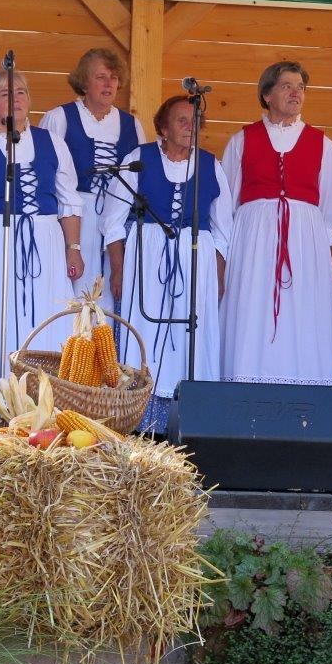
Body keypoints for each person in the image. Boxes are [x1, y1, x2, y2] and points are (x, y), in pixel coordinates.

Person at [0, 68, 83, 425]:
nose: (16, 99)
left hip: (45, 240)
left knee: (46, 317)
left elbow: (69, 201)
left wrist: (73, 247)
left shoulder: (53, 142)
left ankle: (45, 405)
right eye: (6, 94)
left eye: (21, 92)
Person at [104, 95, 234, 433]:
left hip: (195, 257)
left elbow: (223, 230)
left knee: (191, 333)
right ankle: (140, 417)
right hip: (147, 257)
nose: (190, 127)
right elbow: (113, 222)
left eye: (195, 121)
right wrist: (118, 269)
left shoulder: (211, 165)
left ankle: (190, 417)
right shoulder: (139, 158)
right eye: (182, 120)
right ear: (163, 127)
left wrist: (218, 275)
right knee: (145, 329)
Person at [220, 61, 332, 386]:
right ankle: (247, 383)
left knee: (300, 312)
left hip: (304, 244)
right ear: (267, 95)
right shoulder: (242, 140)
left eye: (300, 87)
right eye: (287, 86)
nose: (296, 92)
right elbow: (227, 201)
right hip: (254, 242)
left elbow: (330, 206)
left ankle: (302, 387)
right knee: (254, 308)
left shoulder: (323, 144)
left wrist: (309, 237)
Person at [39, 48, 147, 311]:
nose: (108, 83)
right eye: (101, 77)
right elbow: (44, 174)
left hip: (118, 217)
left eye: (113, 77)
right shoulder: (59, 117)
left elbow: (140, 178)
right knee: (75, 286)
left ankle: (105, 337)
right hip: (75, 215)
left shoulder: (132, 125)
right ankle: (74, 337)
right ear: (84, 82)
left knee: (112, 288)